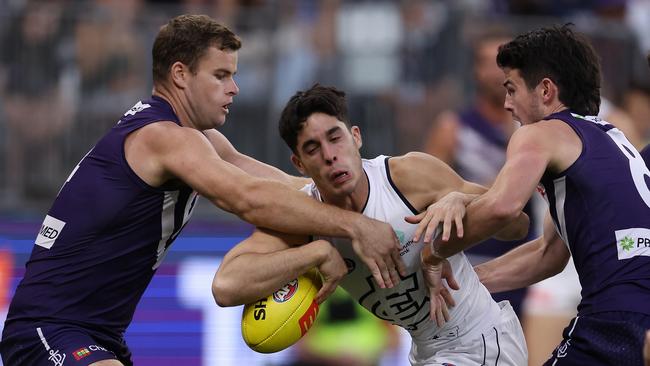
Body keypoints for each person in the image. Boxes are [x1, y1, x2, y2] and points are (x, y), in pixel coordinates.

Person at [0, 15, 406, 366]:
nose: (235, 89)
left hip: (95, 333)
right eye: (221, 75)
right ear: (180, 75)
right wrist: (353, 225)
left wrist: (376, 197)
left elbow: (280, 185)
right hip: (51, 327)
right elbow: (247, 199)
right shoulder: (164, 138)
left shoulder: (196, 138)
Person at [212, 84, 529, 365]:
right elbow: (226, 287)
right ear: (299, 164)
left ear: (356, 137)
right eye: (312, 148)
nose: (330, 155)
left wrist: (459, 199)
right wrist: (316, 254)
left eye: (335, 138)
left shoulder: (405, 177)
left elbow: (516, 223)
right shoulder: (305, 218)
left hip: (480, 340)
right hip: (426, 352)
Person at [419, 24, 650, 365]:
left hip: (613, 316)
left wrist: (432, 253)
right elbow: (549, 254)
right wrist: (464, 282)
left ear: (545, 91)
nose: (507, 103)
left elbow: (503, 208)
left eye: (511, 89)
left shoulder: (541, 134)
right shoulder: (611, 136)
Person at [422, 27, 535, 317]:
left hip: (527, 258)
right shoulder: (453, 127)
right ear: (475, 70)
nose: (498, 72)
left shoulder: (535, 127)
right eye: (489, 62)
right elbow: (426, 192)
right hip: (470, 257)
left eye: (505, 63)